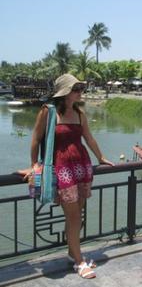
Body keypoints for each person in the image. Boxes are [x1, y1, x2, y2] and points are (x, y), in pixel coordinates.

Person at [30, 74, 114, 279]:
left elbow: (89, 138)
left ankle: (72, 254)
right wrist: (34, 165)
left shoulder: (79, 113)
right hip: (62, 169)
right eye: (76, 89)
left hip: (82, 168)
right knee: (74, 216)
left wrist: (101, 157)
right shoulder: (48, 112)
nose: (80, 92)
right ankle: (79, 261)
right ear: (65, 92)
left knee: (77, 214)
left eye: (80, 89)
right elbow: (35, 139)